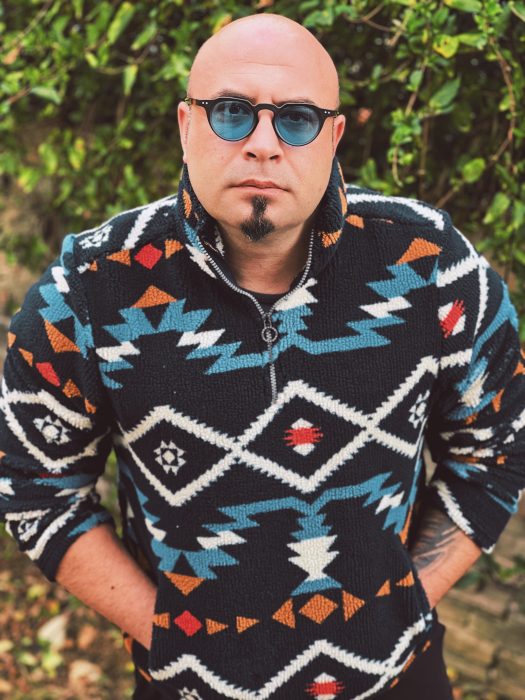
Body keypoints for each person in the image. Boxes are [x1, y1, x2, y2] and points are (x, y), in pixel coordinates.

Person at [0, 12, 524, 700]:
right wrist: (170, 635)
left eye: (298, 119)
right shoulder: (93, 287)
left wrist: (399, 605)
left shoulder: (430, 266)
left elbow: (496, 452)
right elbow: (34, 486)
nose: (263, 144)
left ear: (333, 137)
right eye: (231, 113)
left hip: (398, 681)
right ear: (186, 125)